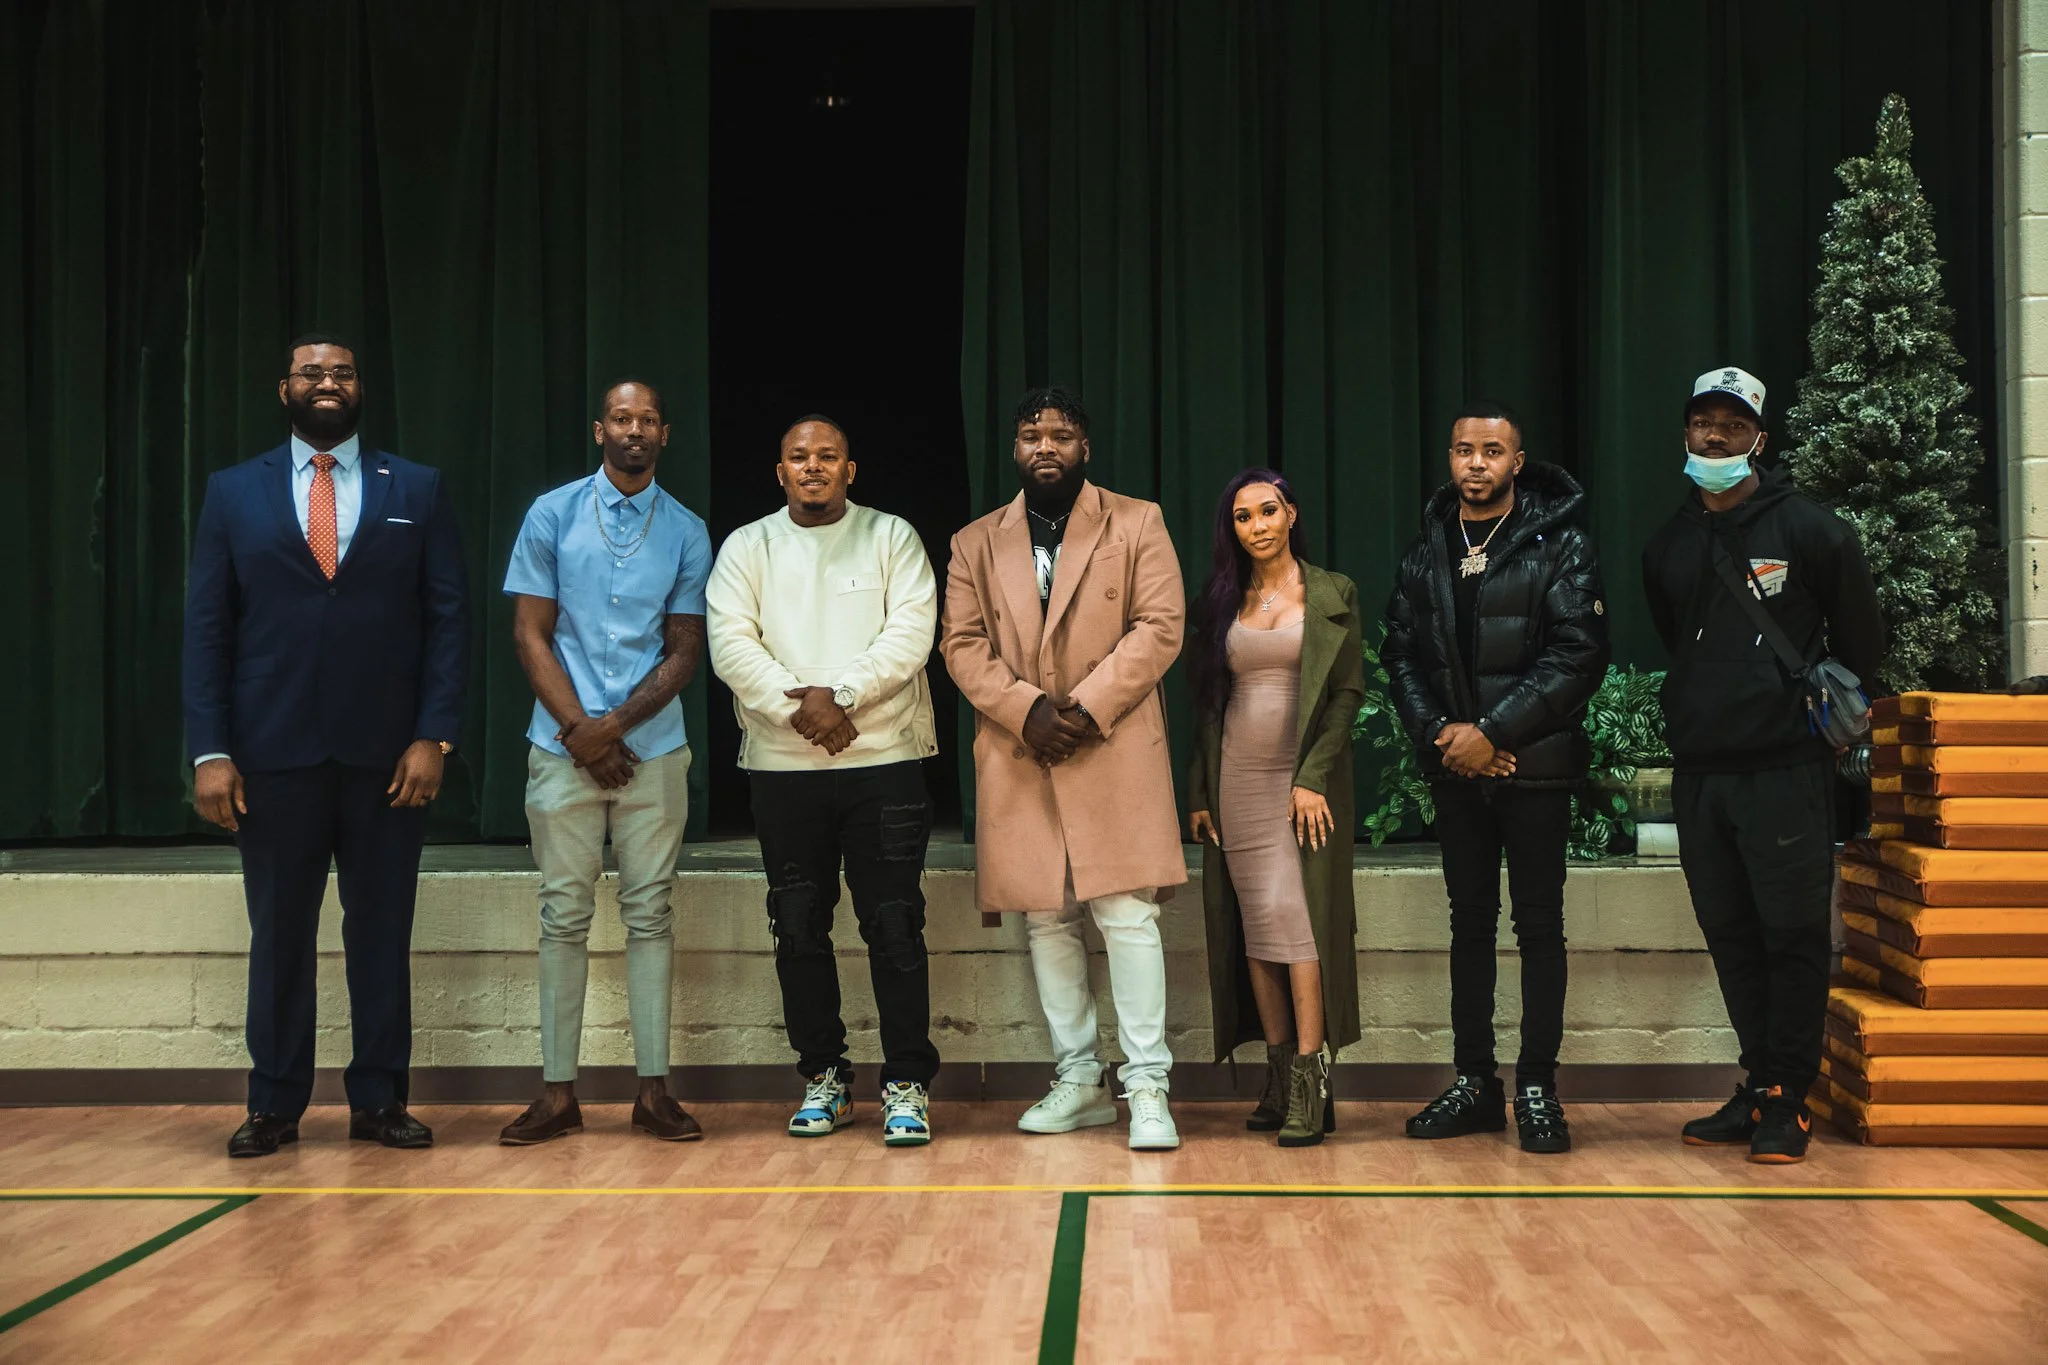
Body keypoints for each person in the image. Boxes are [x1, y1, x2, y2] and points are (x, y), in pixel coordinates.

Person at [183, 333, 468, 1158]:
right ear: (285, 389)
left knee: (380, 933)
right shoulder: (233, 493)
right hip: (271, 759)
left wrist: (434, 735)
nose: (328, 382)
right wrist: (210, 750)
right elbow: (208, 631)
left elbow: (447, 622)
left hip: (389, 760)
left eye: (342, 371)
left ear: (360, 387)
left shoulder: (416, 486)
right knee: (279, 936)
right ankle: (274, 1103)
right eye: (312, 371)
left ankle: (380, 1099)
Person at [1643, 366, 1885, 1164]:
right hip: (1702, 775)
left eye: (1732, 425)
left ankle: (1792, 1096)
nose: (1714, 437)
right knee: (1731, 934)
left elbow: (1859, 648)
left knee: (1789, 936)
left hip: (1786, 772)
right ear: (1686, 433)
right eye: (1702, 422)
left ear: (1759, 440)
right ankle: (1759, 1083)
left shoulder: (1815, 531)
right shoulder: (1669, 542)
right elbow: (1677, 638)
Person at [941, 386, 1188, 1151]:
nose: (1044, 446)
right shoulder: (976, 541)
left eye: (1060, 433)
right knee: (1046, 915)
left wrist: (1082, 706)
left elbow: (1161, 625)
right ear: (1014, 449)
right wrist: (1027, 711)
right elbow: (961, 643)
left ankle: (1148, 1087)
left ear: (1086, 446)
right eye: (1029, 434)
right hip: (1023, 750)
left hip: (1109, 740)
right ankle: (1080, 1080)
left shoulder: (1137, 520)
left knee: (1127, 915)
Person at [706, 416, 941, 1146]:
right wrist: (799, 706)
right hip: (784, 768)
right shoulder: (749, 545)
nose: (813, 467)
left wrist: (838, 694)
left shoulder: (891, 536)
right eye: (799, 457)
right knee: (800, 926)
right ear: (780, 472)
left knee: (895, 925)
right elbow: (729, 642)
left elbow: (910, 634)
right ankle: (825, 1076)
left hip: (886, 762)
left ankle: (905, 1080)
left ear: (850, 469)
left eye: (827, 456)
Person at [1383, 401, 1608, 1154]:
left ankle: (1538, 1085)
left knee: (1539, 927)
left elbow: (1578, 654)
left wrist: (1495, 733)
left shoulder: (1561, 544)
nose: (1474, 464)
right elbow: (1403, 655)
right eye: (1461, 451)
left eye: (1491, 451)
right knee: (1469, 925)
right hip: (1456, 773)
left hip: (1533, 771)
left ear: (1518, 461)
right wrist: (1444, 736)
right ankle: (1476, 1083)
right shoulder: (1427, 551)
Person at [497, 379, 711, 1145]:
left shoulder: (686, 528)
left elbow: (686, 648)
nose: (634, 430)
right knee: (564, 914)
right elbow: (530, 633)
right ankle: (558, 1092)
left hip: (653, 750)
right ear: (599, 429)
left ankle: (653, 1091)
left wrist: (613, 728)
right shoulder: (552, 514)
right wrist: (580, 731)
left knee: (651, 912)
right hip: (560, 749)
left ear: (664, 434)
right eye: (622, 418)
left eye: (648, 419)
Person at [1186, 469, 1364, 1147]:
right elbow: (1208, 705)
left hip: (1301, 787)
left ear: (1291, 513)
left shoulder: (1332, 592)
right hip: (1238, 783)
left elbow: (1347, 695)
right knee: (1256, 927)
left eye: (1267, 511)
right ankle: (1280, 1071)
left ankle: (1313, 1083)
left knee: (1299, 923)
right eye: (1242, 517)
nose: (1256, 526)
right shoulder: (1221, 602)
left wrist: (1312, 774)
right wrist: (1201, 792)